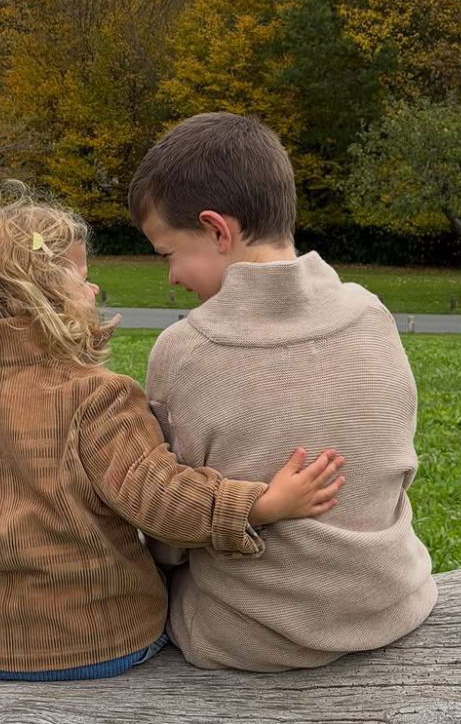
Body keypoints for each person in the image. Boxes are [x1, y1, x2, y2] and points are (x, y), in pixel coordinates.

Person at [0, 186, 345, 681]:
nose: (94, 291)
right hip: (110, 641)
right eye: (82, 279)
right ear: (43, 297)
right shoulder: (97, 398)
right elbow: (159, 498)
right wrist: (259, 505)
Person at [129, 111, 437, 672]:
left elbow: (172, 533)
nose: (171, 276)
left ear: (217, 230)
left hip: (250, 634)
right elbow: (396, 465)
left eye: (167, 254)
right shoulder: (372, 314)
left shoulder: (184, 350)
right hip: (390, 603)